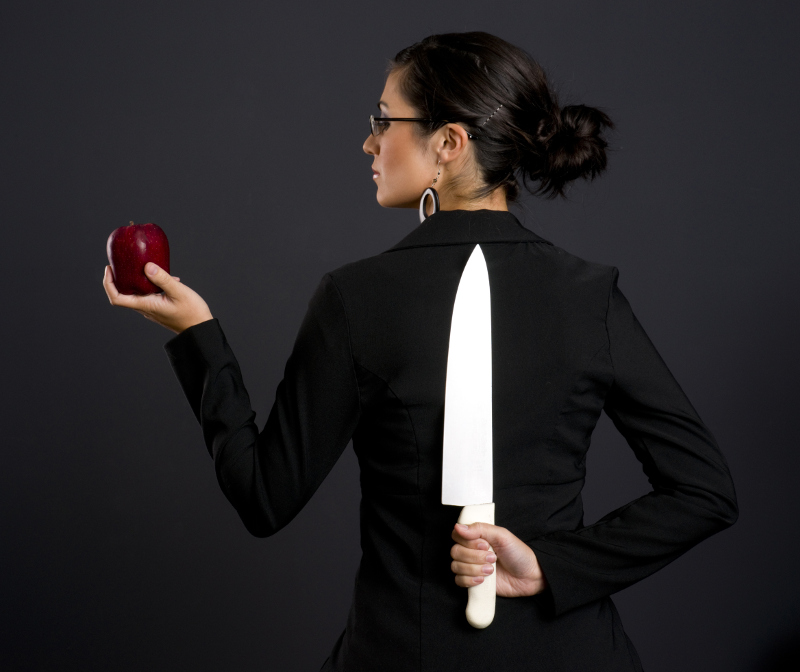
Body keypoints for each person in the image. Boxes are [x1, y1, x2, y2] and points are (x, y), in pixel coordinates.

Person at [103, 31, 738, 672]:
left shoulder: (357, 296)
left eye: (384, 120)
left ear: (449, 144)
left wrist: (197, 335)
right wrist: (551, 567)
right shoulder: (588, 295)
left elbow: (264, 498)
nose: (369, 143)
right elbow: (704, 492)